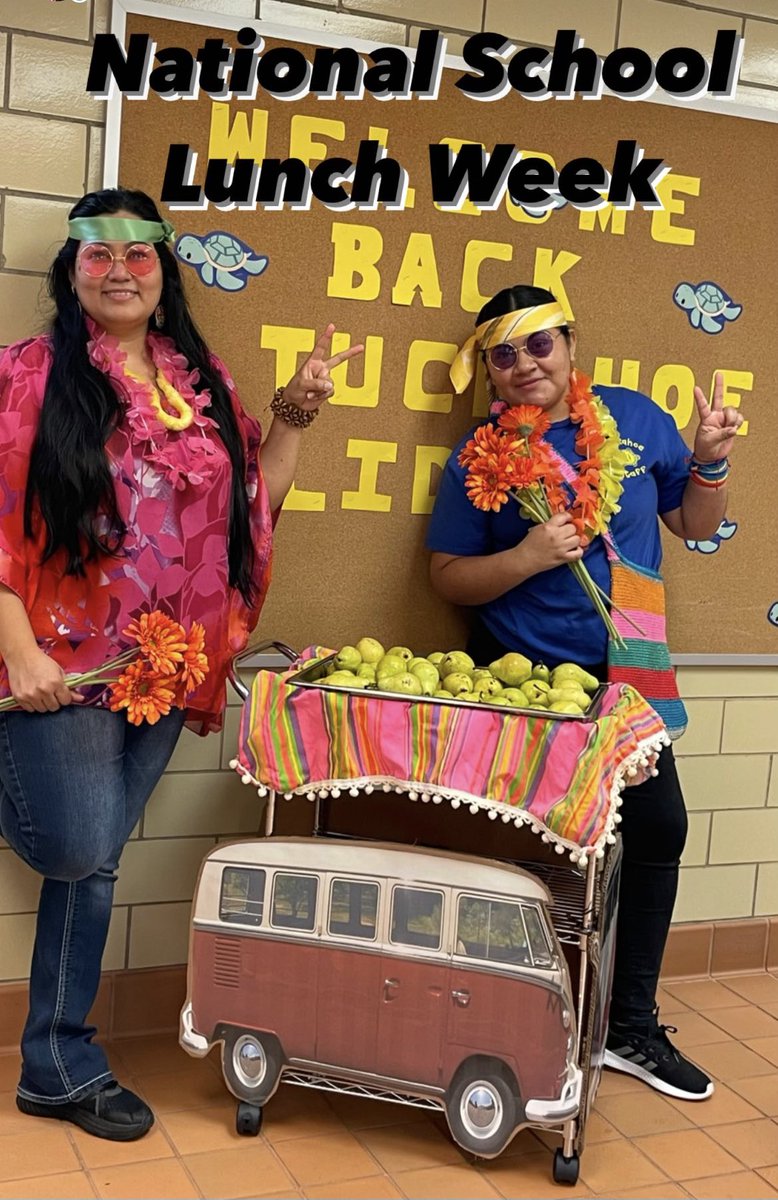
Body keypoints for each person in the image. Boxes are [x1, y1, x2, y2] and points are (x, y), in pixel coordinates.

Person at [0, 187, 362, 1141]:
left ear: (165, 274)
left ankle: (58, 1064)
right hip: (62, 665)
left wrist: (296, 414)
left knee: (98, 862)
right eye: (98, 254)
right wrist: (16, 645)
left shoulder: (199, 382)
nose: (119, 270)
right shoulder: (27, 374)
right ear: (72, 271)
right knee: (78, 846)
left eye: (140, 255)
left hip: (169, 667)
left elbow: (255, 506)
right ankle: (61, 1055)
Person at [427, 283, 743, 1102]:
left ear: (570, 345)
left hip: (627, 671)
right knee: (533, 845)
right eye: (504, 353)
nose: (525, 365)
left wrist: (709, 459)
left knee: (659, 828)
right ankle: (508, 1012)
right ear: (488, 372)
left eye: (540, 346)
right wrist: (529, 556)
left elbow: (698, 525)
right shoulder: (479, 458)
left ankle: (629, 1026)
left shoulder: (637, 420)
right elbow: (448, 579)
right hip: (521, 671)